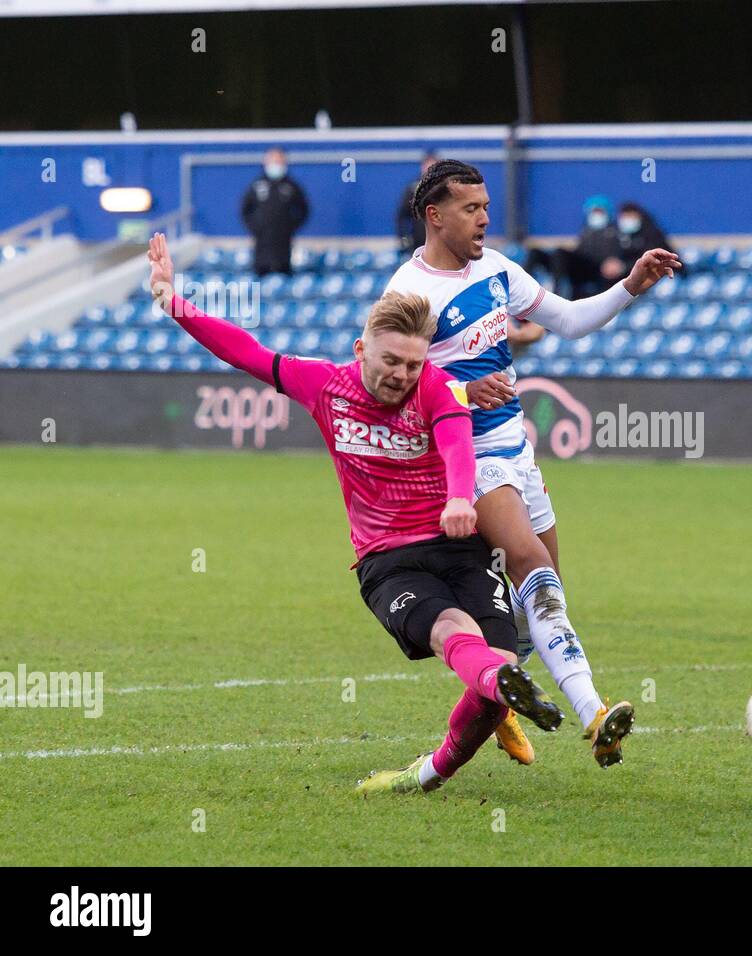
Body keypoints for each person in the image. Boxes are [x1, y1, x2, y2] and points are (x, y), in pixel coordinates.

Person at [144, 232, 562, 797]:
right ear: (362, 349)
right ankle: (494, 681)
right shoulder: (324, 384)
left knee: (493, 680)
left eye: (414, 364)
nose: (402, 375)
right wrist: (173, 301)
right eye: (392, 361)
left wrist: (462, 496)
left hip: (458, 542)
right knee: (454, 635)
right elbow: (241, 348)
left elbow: (458, 439)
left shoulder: (438, 386)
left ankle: (429, 771)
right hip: (390, 561)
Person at [386, 159, 682, 765]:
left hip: (517, 451)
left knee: (543, 589)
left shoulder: (494, 270)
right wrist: (464, 394)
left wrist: (629, 286)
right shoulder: (408, 294)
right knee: (529, 561)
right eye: (471, 209)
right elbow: (389, 388)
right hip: (465, 459)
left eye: (487, 207)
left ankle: (492, 703)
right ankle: (595, 714)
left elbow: (569, 320)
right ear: (434, 216)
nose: (484, 219)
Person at [524, 195, 624, 298]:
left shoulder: (616, 233)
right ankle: (522, 288)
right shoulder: (586, 231)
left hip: (595, 270)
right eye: (593, 212)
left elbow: (616, 259)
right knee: (536, 253)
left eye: (599, 212)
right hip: (576, 268)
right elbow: (579, 251)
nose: (596, 215)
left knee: (560, 253)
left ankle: (555, 292)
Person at [239, 147, 309, 277]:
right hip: (262, 247)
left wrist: (291, 226)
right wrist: (256, 226)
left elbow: (304, 209)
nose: (276, 165)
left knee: (283, 272)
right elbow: (245, 209)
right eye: (273, 161)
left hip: (284, 245)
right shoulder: (257, 185)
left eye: (279, 161)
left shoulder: (291, 186)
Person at [397, 151, 438, 256]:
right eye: (427, 166)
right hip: (419, 240)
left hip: (440, 240)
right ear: (422, 167)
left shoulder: (444, 189)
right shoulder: (413, 188)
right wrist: (404, 238)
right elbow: (402, 216)